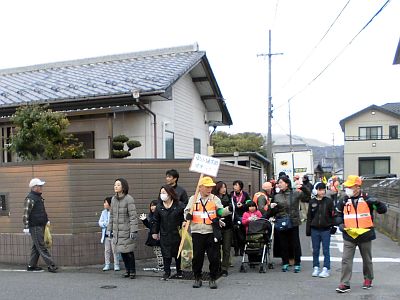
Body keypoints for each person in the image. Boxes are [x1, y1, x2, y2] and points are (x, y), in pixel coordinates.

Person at [335, 175, 387, 293]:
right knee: (346, 259)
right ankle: (344, 283)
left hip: (365, 234)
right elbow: (337, 215)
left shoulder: (368, 199)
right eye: (347, 186)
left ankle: (368, 279)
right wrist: (340, 224)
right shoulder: (343, 200)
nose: (347, 188)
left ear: (357, 187)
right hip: (349, 234)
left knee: (367, 259)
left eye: (350, 186)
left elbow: (382, 210)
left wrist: (378, 203)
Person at [185, 176, 231, 289]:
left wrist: (228, 210)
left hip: (211, 231)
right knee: (197, 257)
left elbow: (220, 211)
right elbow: (186, 211)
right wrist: (187, 215)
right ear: (200, 187)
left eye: (211, 187)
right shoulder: (193, 198)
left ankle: (213, 278)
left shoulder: (215, 198)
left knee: (214, 257)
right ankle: (197, 278)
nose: (209, 189)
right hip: (197, 232)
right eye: (207, 187)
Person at [267, 176, 310, 273]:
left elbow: (307, 197)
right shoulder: (276, 196)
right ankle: (285, 262)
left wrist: (302, 187)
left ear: (287, 183)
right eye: (278, 183)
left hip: (293, 222)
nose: (279, 184)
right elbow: (272, 211)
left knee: (295, 243)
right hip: (281, 221)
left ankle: (297, 263)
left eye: (281, 182)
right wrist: (272, 207)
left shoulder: (295, 193)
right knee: (283, 244)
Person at [22, 178, 58, 273]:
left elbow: (42, 211)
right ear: (34, 187)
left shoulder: (38, 197)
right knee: (41, 246)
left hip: (40, 225)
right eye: (40, 186)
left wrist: (47, 220)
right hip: (34, 226)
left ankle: (31, 265)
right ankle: (51, 265)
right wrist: (26, 227)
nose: (42, 187)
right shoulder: (30, 198)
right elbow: (26, 213)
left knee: (36, 246)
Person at [152, 185, 185, 281]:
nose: (162, 195)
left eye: (164, 192)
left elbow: (185, 216)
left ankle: (179, 271)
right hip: (164, 234)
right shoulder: (159, 207)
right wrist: (155, 232)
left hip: (177, 233)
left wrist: (184, 222)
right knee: (166, 254)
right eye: (161, 193)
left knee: (178, 254)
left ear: (170, 194)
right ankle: (167, 272)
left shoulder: (179, 205)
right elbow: (156, 220)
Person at [107, 178, 138, 279]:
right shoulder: (113, 199)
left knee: (128, 251)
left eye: (118, 185)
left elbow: (133, 216)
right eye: (115, 184)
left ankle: (132, 271)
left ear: (123, 187)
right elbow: (111, 216)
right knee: (122, 251)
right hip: (117, 231)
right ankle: (127, 270)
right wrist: (109, 228)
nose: (116, 186)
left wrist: (133, 230)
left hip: (126, 230)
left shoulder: (129, 199)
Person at [306, 182, 335, 278]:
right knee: (315, 250)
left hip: (326, 229)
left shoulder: (329, 201)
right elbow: (309, 216)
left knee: (326, 250)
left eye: (323, 189)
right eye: (320, 189)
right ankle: (316, 267)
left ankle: (326, 268)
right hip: (314, 229)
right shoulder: (312, 202)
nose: (322, 191)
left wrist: (333, 226)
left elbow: (333, 215)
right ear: (316, 190)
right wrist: (308, 229)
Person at [212, 181, 232, 277]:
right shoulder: (213, 198)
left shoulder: (229, 197)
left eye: (225, 187)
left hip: (227, 225)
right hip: (216, 226)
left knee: (226, 248)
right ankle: (218, 266)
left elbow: (233, 210)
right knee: (216, 247)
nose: (224, 189)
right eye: (222, 187)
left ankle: (224, 268)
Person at [139, 200, 163, 271]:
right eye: (151, 205)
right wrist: (145, 220)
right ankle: (161, 264)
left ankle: (161, 265)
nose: (152, 207)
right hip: (153, 237)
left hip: (159, 236)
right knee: (157, 251)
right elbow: (150, 226)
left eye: (154, 205)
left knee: (159, 251)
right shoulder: (151, 215)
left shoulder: (160, 215)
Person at [99, 196, 120, 271]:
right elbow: (100, 222)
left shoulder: (115, 212)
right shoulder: (103, 212)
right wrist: (105, 224)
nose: (104, 204)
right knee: (107, 250)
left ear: (110, 203)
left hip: (113, 235)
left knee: (115, 251)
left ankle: (116, 264)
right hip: (106, 235)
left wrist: (108, 223)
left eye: (105, 202)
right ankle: (107, 264)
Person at [230, 180, 251, 256]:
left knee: (242, 233)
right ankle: (236, 250)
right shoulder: (231, 194)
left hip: (243, 216)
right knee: (235, 234)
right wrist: (235, 205)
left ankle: (242, 250)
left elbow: (249, 204)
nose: (234, 187)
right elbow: (230, 205)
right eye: (234, 185)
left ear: (240, 186)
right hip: (235, 216)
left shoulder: (245, 194)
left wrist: (242, 205)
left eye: (236, 185)